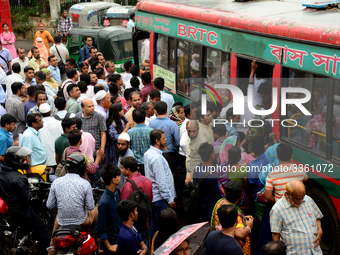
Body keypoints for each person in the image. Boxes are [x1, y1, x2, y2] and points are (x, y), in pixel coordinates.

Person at [0, 146, 50, 254]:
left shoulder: (1, 172)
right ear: (14, 161)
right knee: (41, 227)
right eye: (22, 160)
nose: (25, 161)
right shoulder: (20, 178)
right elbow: (27, 198)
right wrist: (30, 191)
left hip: (7, 211)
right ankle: (46, 251)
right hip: (20, 211)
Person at [47, 152, 98, 254]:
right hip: (81, 221)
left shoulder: (56, 182)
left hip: (61, 222)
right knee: (97, 209)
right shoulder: (85, 184)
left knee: (53, 242)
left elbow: (49, 205)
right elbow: (90, 206)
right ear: (82, 168)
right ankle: (97, 242)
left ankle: (51, 251)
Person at [270, 180, 323, 254]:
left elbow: (317, 217)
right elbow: (275, 237)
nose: (301, 201)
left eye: (302, 197)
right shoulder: (277, 210)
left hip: (315, 252)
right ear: (288, 194)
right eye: (297, 198)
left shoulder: (308, 200)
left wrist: (320, 229)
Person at [144, 129, 176, 239]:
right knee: (162, 230)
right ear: (157, 141)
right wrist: (170, 199)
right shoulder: (156, 158)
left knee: (155, 227)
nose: (166, 140)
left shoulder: (148, 153)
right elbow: (161, 181)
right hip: (160, 199)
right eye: (163, 138)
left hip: (155, 197)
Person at [211, 180, 253, 254]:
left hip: (219, 240)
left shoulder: (220, 202)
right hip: (232, 247)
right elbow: (241, 234)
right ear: (241, 196)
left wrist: (242, 217)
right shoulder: (234, 212)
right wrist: (249, 226)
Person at [96, 164, 122, 255]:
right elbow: (100, 227)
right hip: (111, 242)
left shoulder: (117, 191)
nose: (120, 177)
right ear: (113, 180)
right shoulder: (104, 202)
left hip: (119, 236)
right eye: (118, 176)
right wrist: (108, 246)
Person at [195, 143, 223, 222]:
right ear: (212, 155)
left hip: (199, 208)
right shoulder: (211, 177)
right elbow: (218, 196)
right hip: (209, 211)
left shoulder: (197, 169)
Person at [149, 101, 180, 173]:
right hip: (169, 154)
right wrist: (173, 149)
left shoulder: (151, 123)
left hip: (155, 154)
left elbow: (150, 139)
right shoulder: (172, 124)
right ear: (166, 111)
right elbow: (177, 141)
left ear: (155, 111)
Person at [127, 107, 153, 175]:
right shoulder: (151, 131)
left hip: (136, 163)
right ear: (145, 117)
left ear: (133, 118)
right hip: (149, 162)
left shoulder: (130, 132)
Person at [38, 103, 63, 170]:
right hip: (57, 158)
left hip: (44, 160)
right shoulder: (59, 123)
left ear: (40, 113)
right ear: (51, 111)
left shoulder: (38, 126)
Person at [185, 120, 209, 184]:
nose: (192, 133)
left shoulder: (202, 142)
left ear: (198, 129)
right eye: (189, 131)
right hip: (189, 175)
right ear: (186, 129)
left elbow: (206, 162)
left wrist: (193, 174)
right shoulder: (190, 137)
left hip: (197, 176)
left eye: (194, 131)